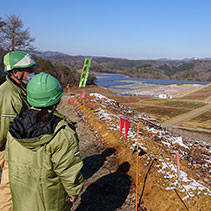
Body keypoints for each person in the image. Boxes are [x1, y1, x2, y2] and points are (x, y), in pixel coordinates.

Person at [5, 72, 84, 211]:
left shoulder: (15, 126)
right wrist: (74, 191)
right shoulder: (62, 132)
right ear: (57, 100)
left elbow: (9, 159)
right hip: (50, 200)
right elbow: (68, 167)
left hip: (21, 195)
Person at [0, 51, 38, 211]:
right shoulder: (11, 95)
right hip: (9, 148)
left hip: (14, 146)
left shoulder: (18, 89)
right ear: (15, 72)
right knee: (9, 187)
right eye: (28, 70)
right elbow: (4, 129)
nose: (32, 73)